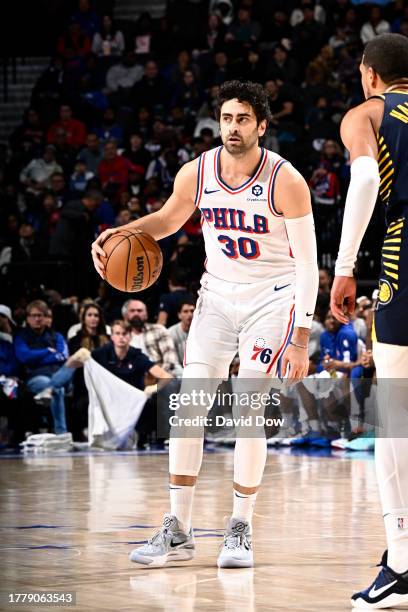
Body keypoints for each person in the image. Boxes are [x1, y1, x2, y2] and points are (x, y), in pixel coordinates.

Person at [92, 80, 318, 569]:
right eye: (226, 119)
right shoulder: (198, 172)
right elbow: (169, 221)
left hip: (272, 299)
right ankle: (179, 529)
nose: (232, 128)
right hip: (216, 295)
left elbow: (306, 264)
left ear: (261, 125)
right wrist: (121, 232)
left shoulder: (287, 180)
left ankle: (240, 528)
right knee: (188, 407)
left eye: (242, 120)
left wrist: (301, 336)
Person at [330, 34, 408, 608]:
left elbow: (361, 182)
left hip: (403, 256)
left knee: (396, 412)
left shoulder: (366, 113)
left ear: (369, 75)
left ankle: (402, 560)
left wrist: (344, 267)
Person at [168, 300, 196, 369]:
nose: (189, 314)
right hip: (180, 372)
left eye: (192, 311)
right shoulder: (171, 333)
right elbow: (174, 362)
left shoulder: (203, 331)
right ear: (179, 315)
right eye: (185, 311)